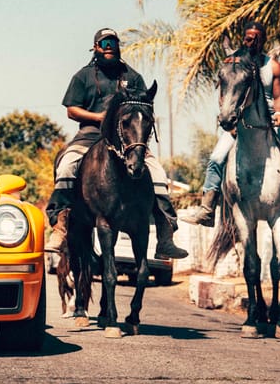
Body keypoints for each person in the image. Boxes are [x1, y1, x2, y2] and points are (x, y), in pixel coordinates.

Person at [44, 28, 188, 260]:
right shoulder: (83, 76)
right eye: (104, 42)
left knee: (159, 173)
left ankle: (165, 236)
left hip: (127, 138)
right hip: (91, 134)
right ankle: (60, 228)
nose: (109, 46)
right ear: (96, 48)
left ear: (119, 46)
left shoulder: (132, 77)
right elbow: (72, 110)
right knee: (67, 166)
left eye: (113, 42)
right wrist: (99, 118)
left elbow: (142, 107)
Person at [181, 22, 280, 230]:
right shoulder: (235, 64)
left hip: (271, 120)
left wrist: (279, 113)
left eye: (255, 37)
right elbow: (226, 95)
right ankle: (207, 208)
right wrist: (229, 118)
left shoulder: (273, 66)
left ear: (263, 40)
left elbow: (279, 96)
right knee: (216, 158)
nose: (250, 41)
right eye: (247, 36)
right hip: (240, 120)